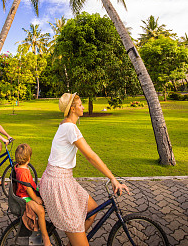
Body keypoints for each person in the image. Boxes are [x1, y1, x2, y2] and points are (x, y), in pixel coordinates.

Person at [40, 93, 129, 246]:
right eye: (80, 105)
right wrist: (112, 178)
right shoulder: (69, 127)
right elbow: (91, 156)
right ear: (72, 109)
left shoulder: (66, 124)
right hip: (58, 183)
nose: (83, 107)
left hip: (63, 179)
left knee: (92, 210)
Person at [15, 144, 52, 246]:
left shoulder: (20, 168)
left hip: (24, 195)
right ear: (29, 158)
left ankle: (42, 228)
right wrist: (35, 198)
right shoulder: (23, 172)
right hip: (25, 197)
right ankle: (45, 236)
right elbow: (28, 188)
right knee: (40, 211)